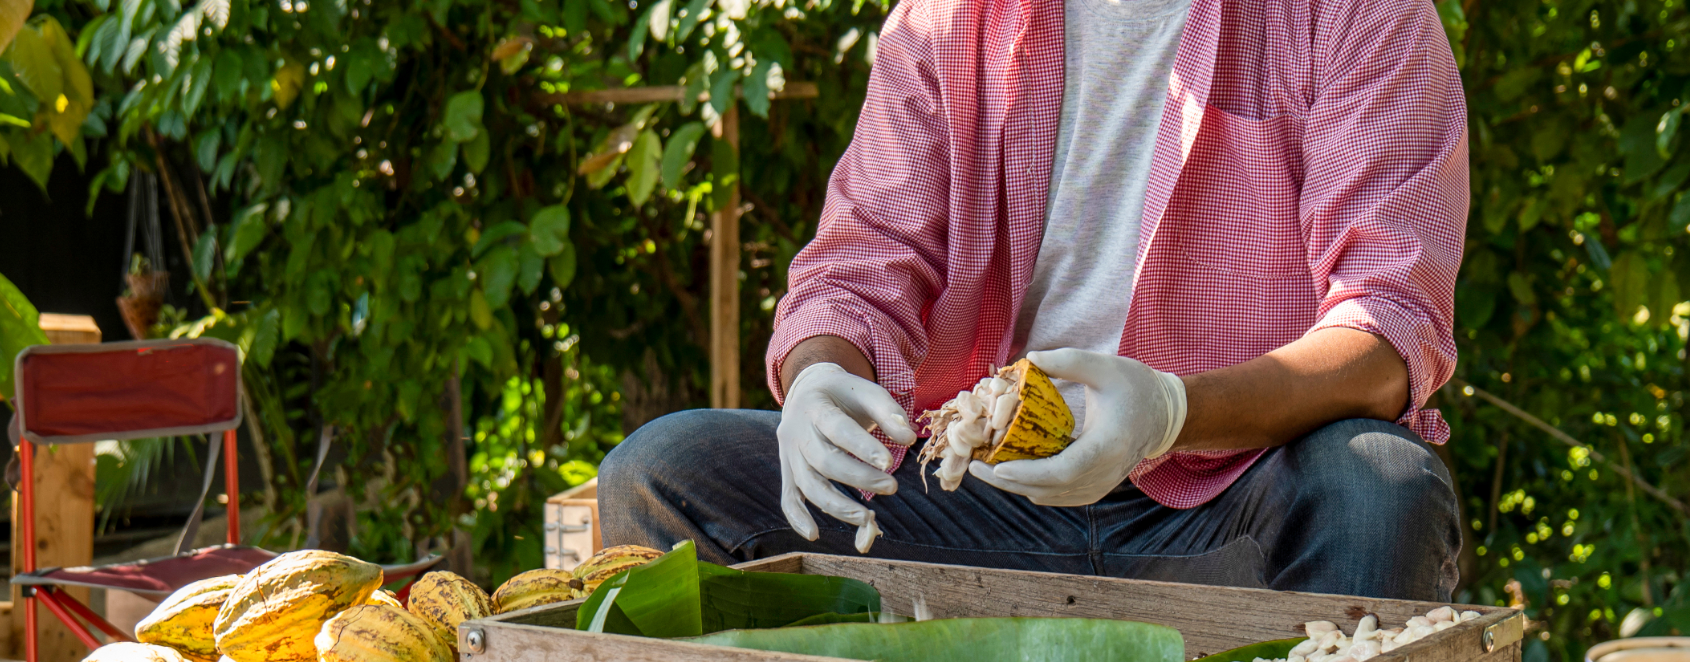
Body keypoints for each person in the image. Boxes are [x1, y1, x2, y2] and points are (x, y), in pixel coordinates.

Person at [600, 0, 1471, 601]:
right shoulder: (950, 19)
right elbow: (861, 263)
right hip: (977, 488)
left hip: (1229, 502)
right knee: (664, 475)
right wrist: (822, 376)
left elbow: (1388, 328)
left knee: (1380, 488)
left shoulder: (1362, 16)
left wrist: (1169, 412)